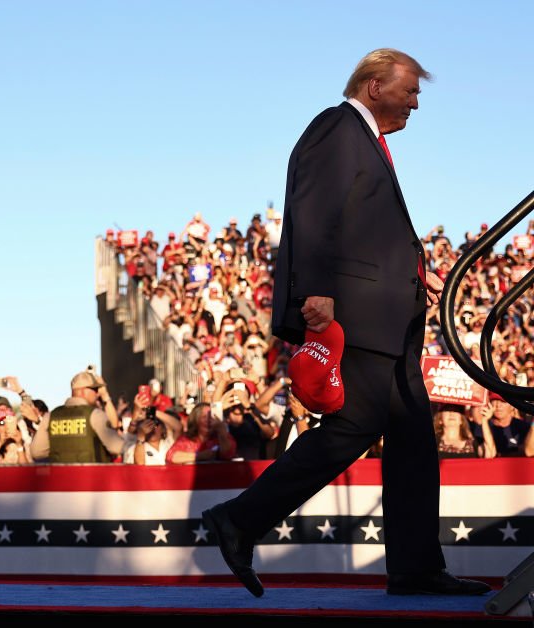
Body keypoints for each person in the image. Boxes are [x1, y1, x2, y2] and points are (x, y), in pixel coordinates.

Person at [202, 49, 490, 597]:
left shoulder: (369, 145)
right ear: (374, 86)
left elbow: (365, 228)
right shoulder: (336, 127)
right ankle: (240, 519)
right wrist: (317, 292)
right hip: (358, 316)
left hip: (390, 317)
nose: (416, 102)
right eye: (410, 90)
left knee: (410, 442)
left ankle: (416, 568)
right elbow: (315, 211)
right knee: (354, 428)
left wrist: (415, 274)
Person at [30, 369, 125, 463]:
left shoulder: (50, 417)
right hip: (91, 476)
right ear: (83, 391)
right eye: (95, 389)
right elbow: (117, 447)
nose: (97, 393)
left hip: (61, 477)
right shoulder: (95, 414)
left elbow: (36, 452)